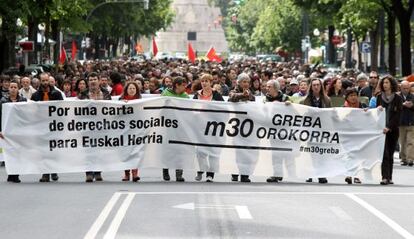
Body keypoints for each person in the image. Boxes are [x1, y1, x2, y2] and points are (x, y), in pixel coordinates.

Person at [78, 72, 112, 182]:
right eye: (91, 79)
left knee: (100, 149)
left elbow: (111, 107)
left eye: (95, 79)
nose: (93, 81)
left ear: (98, 81)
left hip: (102, 126)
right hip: (87, 126)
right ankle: (88, 172)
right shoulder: (83, 94)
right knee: (88, 150)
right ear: (88, 82)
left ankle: (98, 172)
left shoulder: (106, 93)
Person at [31, 72, 63, 182]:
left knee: (53, 150)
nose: (45, 83)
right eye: (43, 81)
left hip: (54, 126)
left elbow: (61, 109)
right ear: (40, 81)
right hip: (41, 126)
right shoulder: (35, 95)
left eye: (46, 81)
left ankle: (53, 171)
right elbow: (32, 111)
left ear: (49, 81)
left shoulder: (57, 94)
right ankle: (45, 173)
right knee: (43, 150)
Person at [193, 74, 224, 182]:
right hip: (200, 127)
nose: (204, 83)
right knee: (200, 151)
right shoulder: (197, 95)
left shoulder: (217, 95)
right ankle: (200, 171)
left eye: (206, 81)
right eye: (202, 81)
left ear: (211, 82)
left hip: (213, 128)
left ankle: (210, 175)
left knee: (212, 151)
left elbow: (223, 110)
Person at [300, 78, 331, 184]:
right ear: (311, 87)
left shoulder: (327, 100)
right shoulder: (305, 100)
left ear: (321, 86)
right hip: (310, 130)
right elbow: (302, 114)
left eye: (318, 85)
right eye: (314, 85)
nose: (316, 87)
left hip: (322, 131)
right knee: (311, 153)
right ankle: (310, 174)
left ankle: (321, 175)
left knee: (321, 154)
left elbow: (330, 114)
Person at [161, 77, 189, 182]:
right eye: (183, 85)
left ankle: (179, 173)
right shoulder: (166, 94)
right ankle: (165, 169)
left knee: (180, 150)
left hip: (180, 127)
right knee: (168, 150)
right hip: (168, 126)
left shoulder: (185, 96)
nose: (185, 87)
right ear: (177, 85)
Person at [228, 73, 255, 183]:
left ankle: (244, 174)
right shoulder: (233, 91)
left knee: (246, 152)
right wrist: (242, 95)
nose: (246, 84)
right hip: (235, 127)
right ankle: (235, 172)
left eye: (248, 82)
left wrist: (248, 96)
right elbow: (232, 98)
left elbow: (253, 102)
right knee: (237, 151)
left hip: (247, 127)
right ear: (239, 82)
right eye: (244, 82)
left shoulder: (251, 93)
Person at [376, 75, 403, 185]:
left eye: (387, 82)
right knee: (384, 154)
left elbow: (398, 115)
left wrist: (389, 127)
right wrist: (377, 109)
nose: (385, 85)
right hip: (381, 130)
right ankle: (384, 177)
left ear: (392, 84)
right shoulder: (379, 97)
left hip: (392, 130)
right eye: (383, 83)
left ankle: (389, 176)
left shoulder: (398, 98)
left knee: (390, 153)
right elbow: (375, 112)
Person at [0, 80, 27, 183]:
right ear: (8, 88)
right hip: (7, 132)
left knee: (18, 153)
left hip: (19, 131)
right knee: (9, 153)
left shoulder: (23, 100)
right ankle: (11, 174)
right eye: (11, 87)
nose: (13, 89)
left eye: (15, 87)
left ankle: (15, 174)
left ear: (18, 88)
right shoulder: (3, 100)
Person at [264, 80, 290, 183]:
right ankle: (277, 173)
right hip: (272, 131)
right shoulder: (265, 99)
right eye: (267, 86)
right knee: (275, 153)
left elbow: (295, 109)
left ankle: (282, 173)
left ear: (275, 88)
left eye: (269, 87)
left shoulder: (285, 98)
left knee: (284, 153)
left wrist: (289, 104)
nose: (267, 88)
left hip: (284, 131)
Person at [343, 87, 367, 184]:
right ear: (347, 98)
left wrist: (367, 112)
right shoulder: (343, 108)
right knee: (349, 155)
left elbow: (370, 117)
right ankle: (349, 175)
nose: (353, 97)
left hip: (360, 134)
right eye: (351, 95)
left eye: (355, 95)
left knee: (358, 155)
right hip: (348, 135)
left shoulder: (362, 105)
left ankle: (357, 176)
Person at [119, 82, 142, 181]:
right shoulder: (121, 100)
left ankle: (135, 173)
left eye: (133, 88)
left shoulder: (140, 101)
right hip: (124, 130)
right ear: (126, 90)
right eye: (130, 88)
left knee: (135, 151)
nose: (132, 90)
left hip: (136, 129)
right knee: (125, 152)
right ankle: (126, 173)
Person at [398, 81, 414, 166]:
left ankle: (410, 159)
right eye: (404, 88)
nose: (406, 90)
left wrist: (411, 106)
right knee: (402, 141)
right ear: (401, 88)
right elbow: (394, 107)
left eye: (407, 88)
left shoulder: (412, 96)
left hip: (411, 122)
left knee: (410, 141)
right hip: (401, 122)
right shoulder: (397, 96)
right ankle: (403, 158)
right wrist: (402, 105)